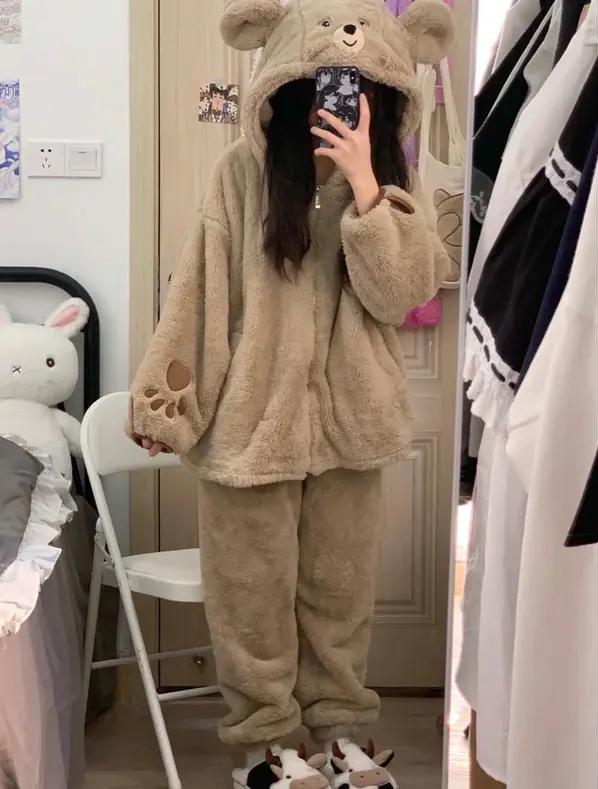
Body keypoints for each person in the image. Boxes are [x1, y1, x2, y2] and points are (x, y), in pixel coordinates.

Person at [128, 1, 454, 786]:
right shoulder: (241, 175)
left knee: (341, 594)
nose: (334, 101)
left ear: (383, 97)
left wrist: (368, 188)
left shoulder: (392, 182)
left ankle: (340, 735)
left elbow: (403, 293)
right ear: (285, 84)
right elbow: (200, 295)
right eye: (318, 83)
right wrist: (167, 404)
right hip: (251, 427)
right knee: (251, 597)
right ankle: (267, 745)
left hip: (353, 426)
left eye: (356, 87)